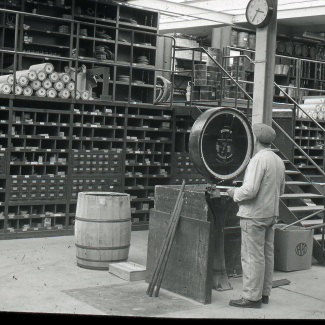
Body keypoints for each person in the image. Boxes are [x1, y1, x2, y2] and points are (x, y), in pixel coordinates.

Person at [226, 123, 285, 308]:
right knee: (266, 256)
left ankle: (252, 297)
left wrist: (233, 192)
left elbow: (250, 190)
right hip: (270, 214)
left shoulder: (258, 159)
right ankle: (264, 294)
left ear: (256, 140)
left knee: (252, 257)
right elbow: (280, 190)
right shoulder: (278, 160)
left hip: (254, 216)